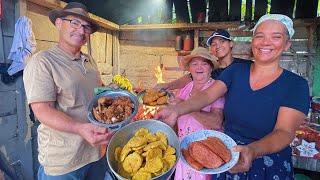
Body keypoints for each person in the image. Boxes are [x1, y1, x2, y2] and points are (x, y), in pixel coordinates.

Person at [156, 14, 310, 180]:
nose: (266, 42)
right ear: (253, 41)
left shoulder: (295, 84)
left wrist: (253, 150)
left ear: (287, 44)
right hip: (226, 154)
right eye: (260, 36)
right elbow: (207, 95)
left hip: (268, 162)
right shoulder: (235, 72)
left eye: (276, 37)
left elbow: (284, 132)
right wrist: (176, 110)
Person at [23, 2, 114, 180]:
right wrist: (80, 128)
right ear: (58, 23)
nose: (81, 31)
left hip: (97, 153)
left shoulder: (89, 60)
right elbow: (42, 110)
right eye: (74, 23)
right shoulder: (43, 62)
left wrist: (119, 97)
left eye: (86, 27)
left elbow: (98, 93)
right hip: (65, 164)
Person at [173, 47, 224, 180]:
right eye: (194, 64)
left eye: (204, 63)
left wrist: (187, 106)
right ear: (189, 69)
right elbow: (176, 120)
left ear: (211, 68)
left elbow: (216, 122)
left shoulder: (215, 89)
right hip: (184, 152)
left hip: (206, 155)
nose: (199, 67)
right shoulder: (185, 89)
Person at [155, 29, 249, 90]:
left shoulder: (245, 66)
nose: (218, 46)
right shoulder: (210, 68)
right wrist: (167, 86)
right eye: (214, 44)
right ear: (211, 49)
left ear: (231, 43)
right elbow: (189, 78)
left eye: (222, 41)